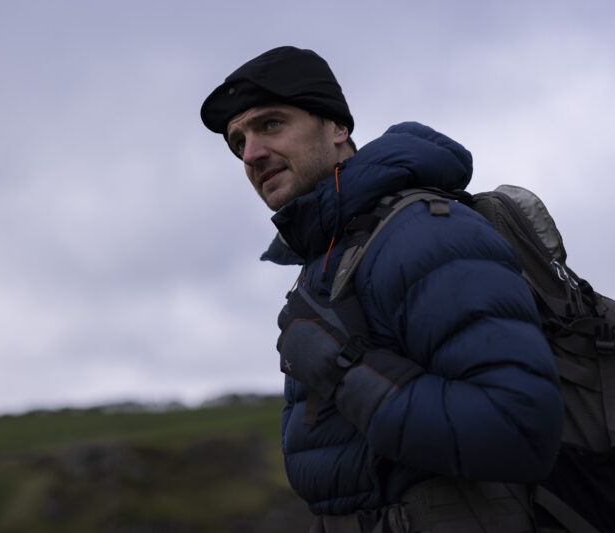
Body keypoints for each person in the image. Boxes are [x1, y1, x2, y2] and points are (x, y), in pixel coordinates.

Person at [200, 46, 564, 532]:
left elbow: (518, 429)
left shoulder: (424, 234)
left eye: (271, 124)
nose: (251, 154)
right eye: (237, 141)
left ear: (337, 128)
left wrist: (341, 363)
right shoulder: (334, 253)